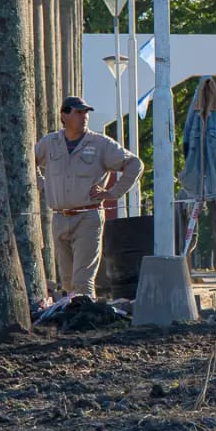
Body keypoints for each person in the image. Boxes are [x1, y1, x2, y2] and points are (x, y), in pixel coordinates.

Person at [35, 95, 144, 300]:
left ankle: (85, 320)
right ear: (64, 115)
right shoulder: (49, 143)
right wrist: (43, 185)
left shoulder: (101, 144)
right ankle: (71, 319)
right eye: (78, 112)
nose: (84, 116)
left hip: (88, 217)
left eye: (86, 112)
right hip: (59, 218)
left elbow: (135, 164)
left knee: (82, 279)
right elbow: (27, 163)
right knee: (67, 280)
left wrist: (113, 193)